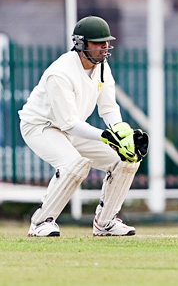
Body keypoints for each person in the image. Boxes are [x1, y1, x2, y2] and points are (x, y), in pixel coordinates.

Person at [18, 16, 148, 237]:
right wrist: (107, 136)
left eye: (106, 42)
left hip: (73, 127)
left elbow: (108, 108)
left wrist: (121, 132)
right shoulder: (59, 73)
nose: (104, 47)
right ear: (81, 44)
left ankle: (105, 223)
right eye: (98, 42)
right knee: (74, 165)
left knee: (125, 158)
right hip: (41, 126)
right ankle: (41, 222)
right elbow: (67, 123)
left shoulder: (102, 66)